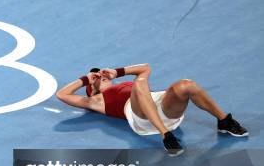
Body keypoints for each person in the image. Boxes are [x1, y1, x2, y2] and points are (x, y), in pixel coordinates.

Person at [55, 63, 248, 156]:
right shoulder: (96, 101)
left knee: (186, 85)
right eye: (96, 80)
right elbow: (62, 95)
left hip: (159, 105)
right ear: (92, 91)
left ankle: (224, 121)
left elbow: (145, 67)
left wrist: (117, 71)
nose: (99, 76)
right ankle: (166, 137)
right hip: (140, 117)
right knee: (140, 83)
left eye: (100, 75)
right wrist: (86, 79)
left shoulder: (124, 83)